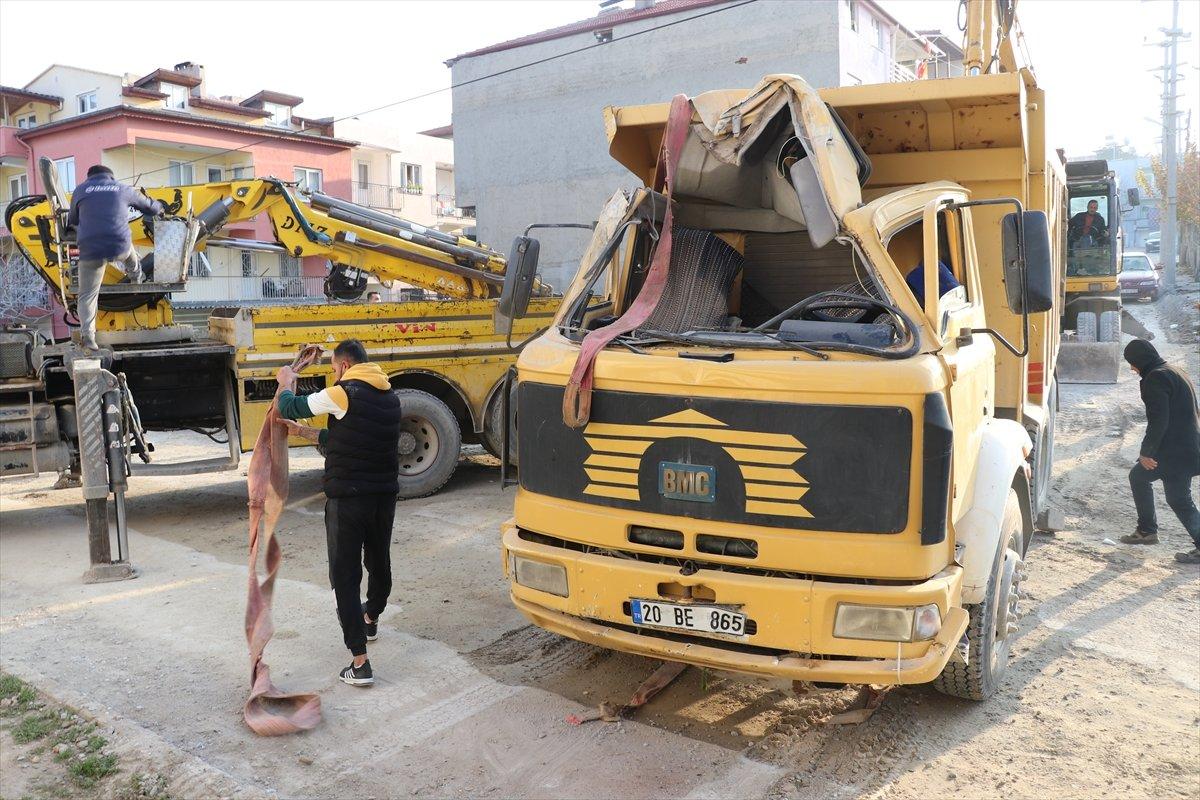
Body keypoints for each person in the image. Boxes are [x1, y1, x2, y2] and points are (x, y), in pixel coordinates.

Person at [274, 339, 402, 685]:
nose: (334, 374)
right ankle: (371, 618)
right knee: (378, 560)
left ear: (344, 366)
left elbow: (292, 405)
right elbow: (353, 440)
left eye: (333, 368)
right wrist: (308, 434)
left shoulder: (343, 393)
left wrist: (286, 381)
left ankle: (359, 662)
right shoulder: (390, 397)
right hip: (383, 497)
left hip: (348, 499)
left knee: (344, 576)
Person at [1118, 339, 1200, 563]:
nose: (1132, 369)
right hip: (1183, 447)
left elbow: (1159, 419)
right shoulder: (1175, 371)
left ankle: (1149, 531)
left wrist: (1147, 452)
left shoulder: (1156, 377)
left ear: (1140, 361)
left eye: (1132, 363)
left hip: (1176, 452)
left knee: (1179, 499)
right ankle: (1146, 531)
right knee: (1138, 477)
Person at [67, 165, 165, 351]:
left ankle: (89, 337)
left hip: (90, 250)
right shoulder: (123, 189)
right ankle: (136, 278)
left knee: (87, 295)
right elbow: (150, 208)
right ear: (110, 176)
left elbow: (73, 220)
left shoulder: (80, 190)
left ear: (89, 177)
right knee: (130, 253)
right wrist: (160, 208)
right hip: (118, 245)